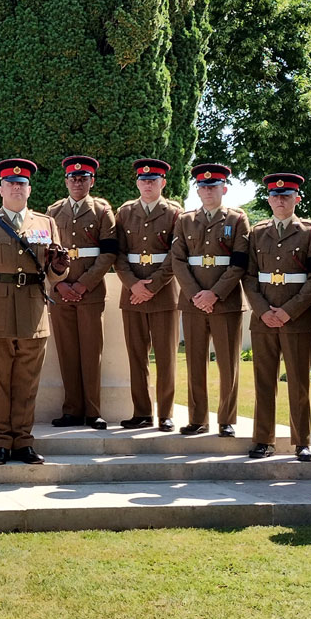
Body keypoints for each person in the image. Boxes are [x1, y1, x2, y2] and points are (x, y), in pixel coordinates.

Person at [0, 158, 70, 465]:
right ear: (1, 189)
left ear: (29, 189)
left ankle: (23, 441)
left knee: (27, 382)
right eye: (10, 183)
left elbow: (53, 272)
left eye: (21, 184)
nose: (16, 188)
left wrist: (61, 269)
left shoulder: (46, 224)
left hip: (33, 311)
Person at [242, 173, 311, 460]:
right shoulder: (257, 232)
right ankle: (263, 439)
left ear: (296, 199)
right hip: (263, 320)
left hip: (296, 320)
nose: (280, 200)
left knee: (299, 383)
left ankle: (301, 440)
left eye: (286, 196)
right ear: (268, 199)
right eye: (275, 196)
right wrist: (264, 311)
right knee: (263, 382)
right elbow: (249, 277)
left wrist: (288, 311)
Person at [169, 163, 249, 436]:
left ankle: (226, 419)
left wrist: (214, 294)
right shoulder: (185, 219)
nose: (207, 191)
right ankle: (198, 418)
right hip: (193, 303)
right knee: (194, 362)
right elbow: (178, 261)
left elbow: (239, 263)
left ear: (224, 189)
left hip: (225, 302)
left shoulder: (237, 220)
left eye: (213, 186)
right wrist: (195, 294)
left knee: (228, 364)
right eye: (202, 187)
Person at [45, 155, 118, 429]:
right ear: (66, 181)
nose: (78, 182)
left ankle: (93, 411)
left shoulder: (101, 210)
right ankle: (72, 410)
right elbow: (45, 253)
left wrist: (84, 284)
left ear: (92, 181)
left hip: (90, 293)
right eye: (73, 178)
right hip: (61, 292)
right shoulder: (53, 212)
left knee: (91, 353)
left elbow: (109, 252)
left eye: (83, 178)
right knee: (66, 353)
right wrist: (59, 283)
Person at [113, 157, 182, 431]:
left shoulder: (175, 213)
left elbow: (176, 255)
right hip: (132, 295)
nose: (147, 184)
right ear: (137, 183)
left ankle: (165, 413)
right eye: (143, 180)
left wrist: (151, 287)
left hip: (163, 295)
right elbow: (117, 254)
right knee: (136, 356)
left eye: (153, 180)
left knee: (166, 357)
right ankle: (141, 411)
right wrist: (133, 284)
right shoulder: (125, 212)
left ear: (163, 183)